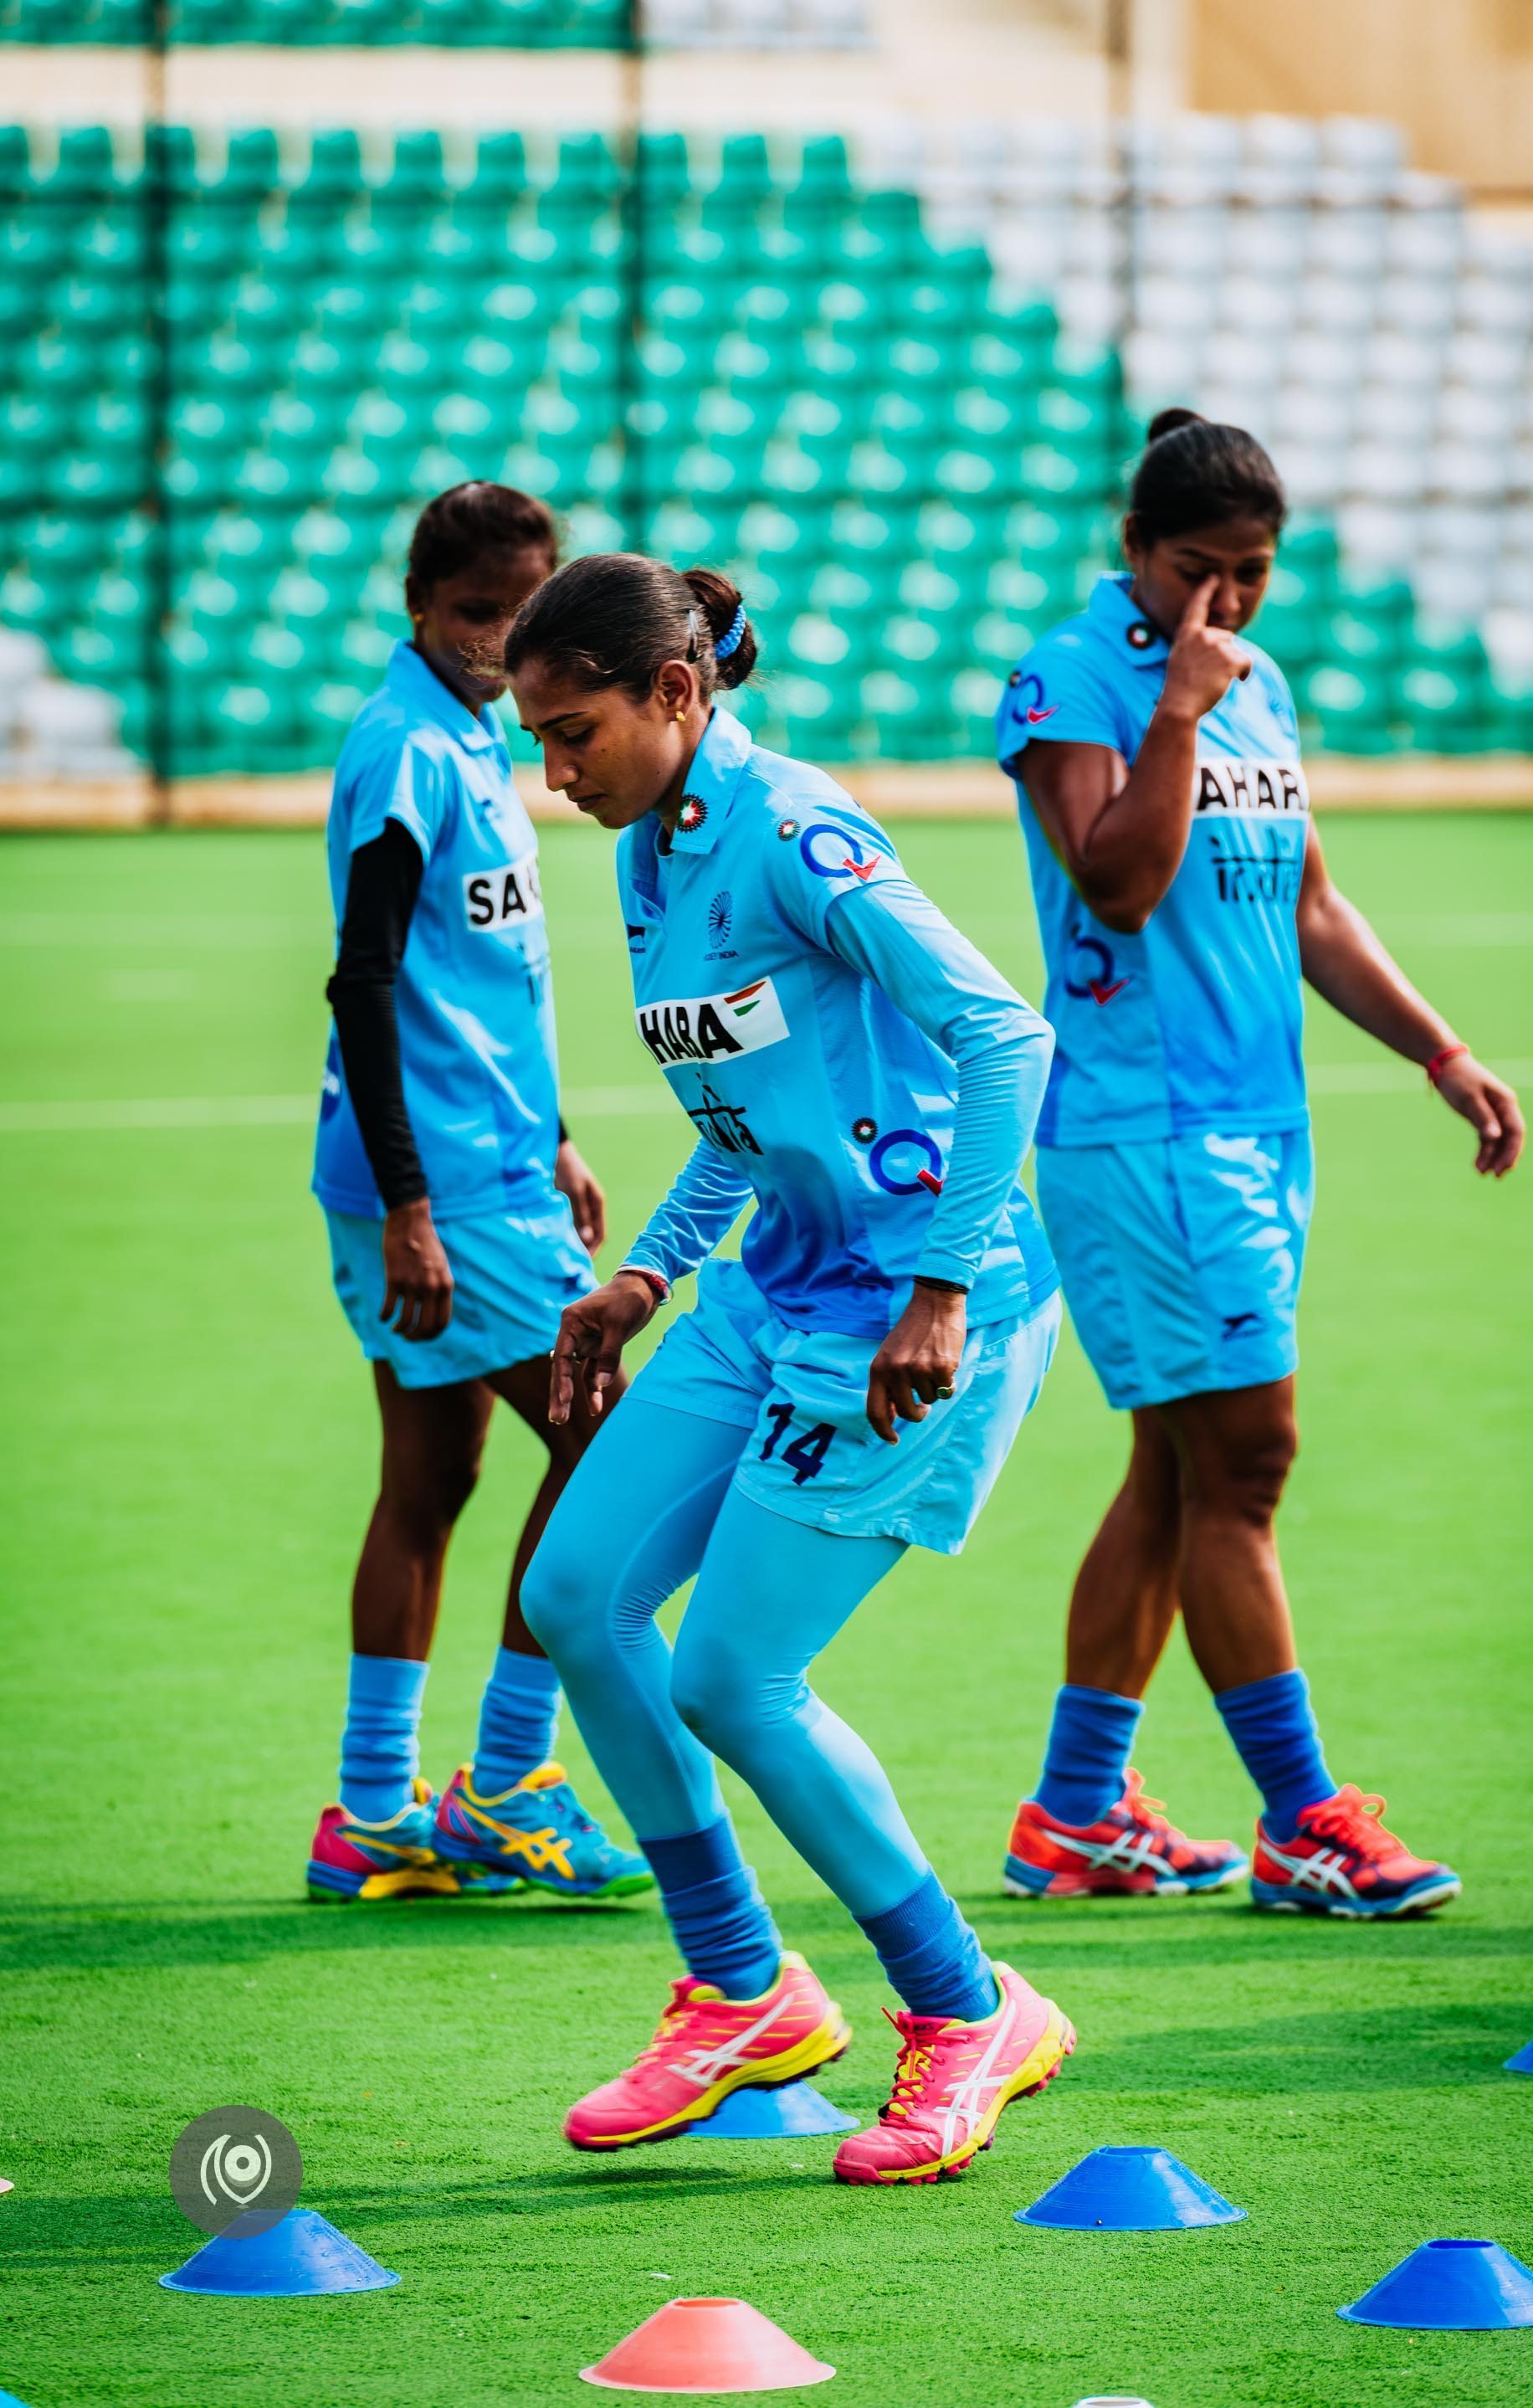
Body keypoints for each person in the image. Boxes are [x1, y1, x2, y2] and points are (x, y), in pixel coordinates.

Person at [499, 552, 1073, 2185]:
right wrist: (644, 1278)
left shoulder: (797, 831)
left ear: (676, 695)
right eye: (540, 737)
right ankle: (745, 1984)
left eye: (576, 729)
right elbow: (747, 1116)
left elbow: (1008, 1037)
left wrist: (943, 1284)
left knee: (730, 1677)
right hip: (775, 1286)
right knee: (578, 1592)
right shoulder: (650, 851)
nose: (557, 769)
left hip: (913, 1312)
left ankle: (971, 2012)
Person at [996, 411, 1525, 1919]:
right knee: (1247, 1461)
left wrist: (1440, 1050)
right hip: (1145, 1131)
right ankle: (1303, 1818)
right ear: (1133, 552)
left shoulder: (1257, 683)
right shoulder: (1078, 679)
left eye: (1251, 576)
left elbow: (1309, 905)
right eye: (1195, 571)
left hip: (1252, 1129)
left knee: (1178, 1466)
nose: (1222, 604)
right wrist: (1176, 704)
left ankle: (1077, 1811)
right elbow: (1116, 875)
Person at [305, 480, 649, 1908]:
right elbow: (368, 979)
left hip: (492, 1163)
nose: (497, 637)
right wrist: (408, 1203)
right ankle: (506, 1784)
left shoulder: (469, 735)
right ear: (417, 609)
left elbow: (480, 984)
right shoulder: (407, 746)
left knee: (433, 1478)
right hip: (442, 1185)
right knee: (601, 1438)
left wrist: (560, 1128)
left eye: (520, 611)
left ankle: (370, 1810)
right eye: (473, 613)